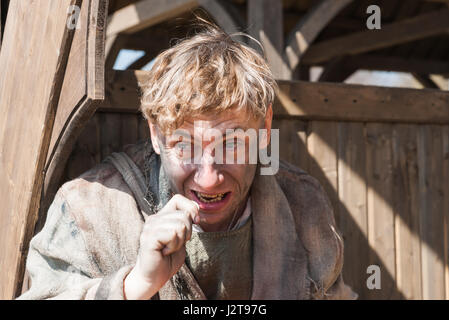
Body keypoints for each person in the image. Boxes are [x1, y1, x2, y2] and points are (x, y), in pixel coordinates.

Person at [18, 23, 356, 300]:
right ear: (156, 133)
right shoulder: (88, 209)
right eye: (184, 145)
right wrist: (133, 287)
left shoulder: (303, 205)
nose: (208, 178)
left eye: (233, 145)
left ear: (265, 129)